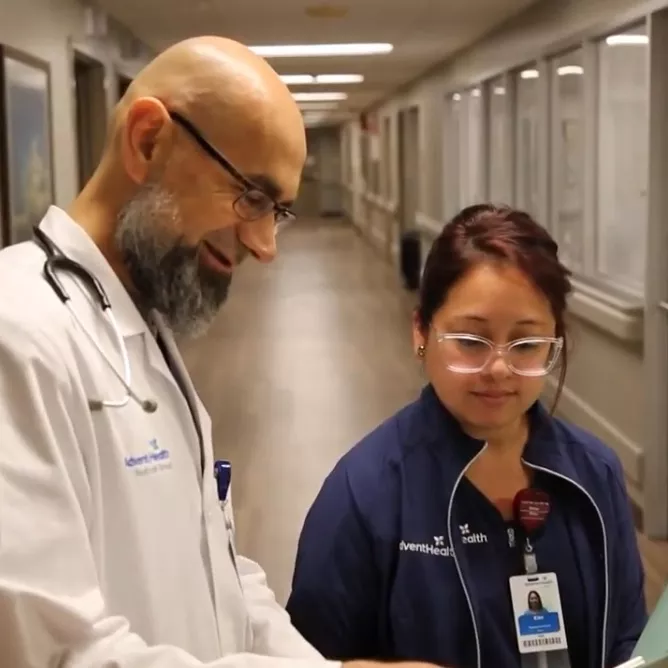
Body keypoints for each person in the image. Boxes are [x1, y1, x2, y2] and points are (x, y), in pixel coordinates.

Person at [0, 36, 445, 668]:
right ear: (147, 140)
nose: (265, 246)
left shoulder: (143, 327)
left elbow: (219, 572)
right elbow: (55, 652)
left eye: (279, 211)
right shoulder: (17, 333)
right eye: (251, 198)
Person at [286, 204, 647, 668]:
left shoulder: (594, 475)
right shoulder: (364, 493)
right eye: (472, 341)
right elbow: (302, 657)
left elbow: (626, 640)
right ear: (421, 331)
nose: (498, 369)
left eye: (527, 344)